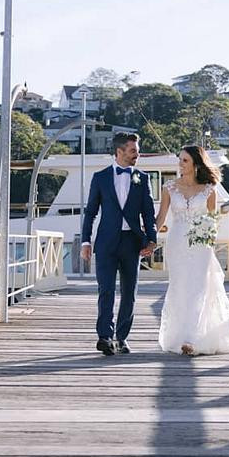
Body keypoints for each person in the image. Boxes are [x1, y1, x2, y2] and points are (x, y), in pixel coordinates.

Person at [156, 145, 229, 356]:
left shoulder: (209, 190)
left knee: (198, 289)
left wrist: (208, 238)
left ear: (196, 164)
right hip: (176, 243)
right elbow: (160, 218)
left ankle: (192, 339)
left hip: (200, 245)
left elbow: (213, 222)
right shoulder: (169, 188)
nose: (180, 164)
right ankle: (178, 335)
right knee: (180, 286)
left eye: (184, 160)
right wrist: (147, 238)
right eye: (180, 160)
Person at [80, 132, 157, 355]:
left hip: (132, 242)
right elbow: (91, 213)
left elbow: (148, 212)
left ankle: (121, 338)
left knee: (129, 292)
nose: (137, 154)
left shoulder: (142, 178)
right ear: (119, 151)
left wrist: (151, 240)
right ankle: (104, 337)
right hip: (105, 242)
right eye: (133, 150)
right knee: (105, 290)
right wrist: (86, 241)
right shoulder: (100, 177)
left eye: (137, 150)